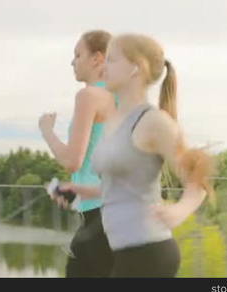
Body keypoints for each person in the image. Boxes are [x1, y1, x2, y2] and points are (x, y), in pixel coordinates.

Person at [56, 33, 215, 277]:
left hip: (149, 252)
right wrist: (80, 190)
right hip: (122, 251)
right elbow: (123, 187)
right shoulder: (115, 122)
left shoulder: (154, 122)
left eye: (112, 60)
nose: (104, 67)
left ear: (135, 68)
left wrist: (179, 210)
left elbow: (198, 183)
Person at [38, 30, 118, 277]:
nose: (72, 61)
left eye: (77, 54)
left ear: (97, 58)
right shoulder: (120, 97)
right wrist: (74, 192)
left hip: (99, 218)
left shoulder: (89, 95)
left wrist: (47, 131)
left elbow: (73, 161)